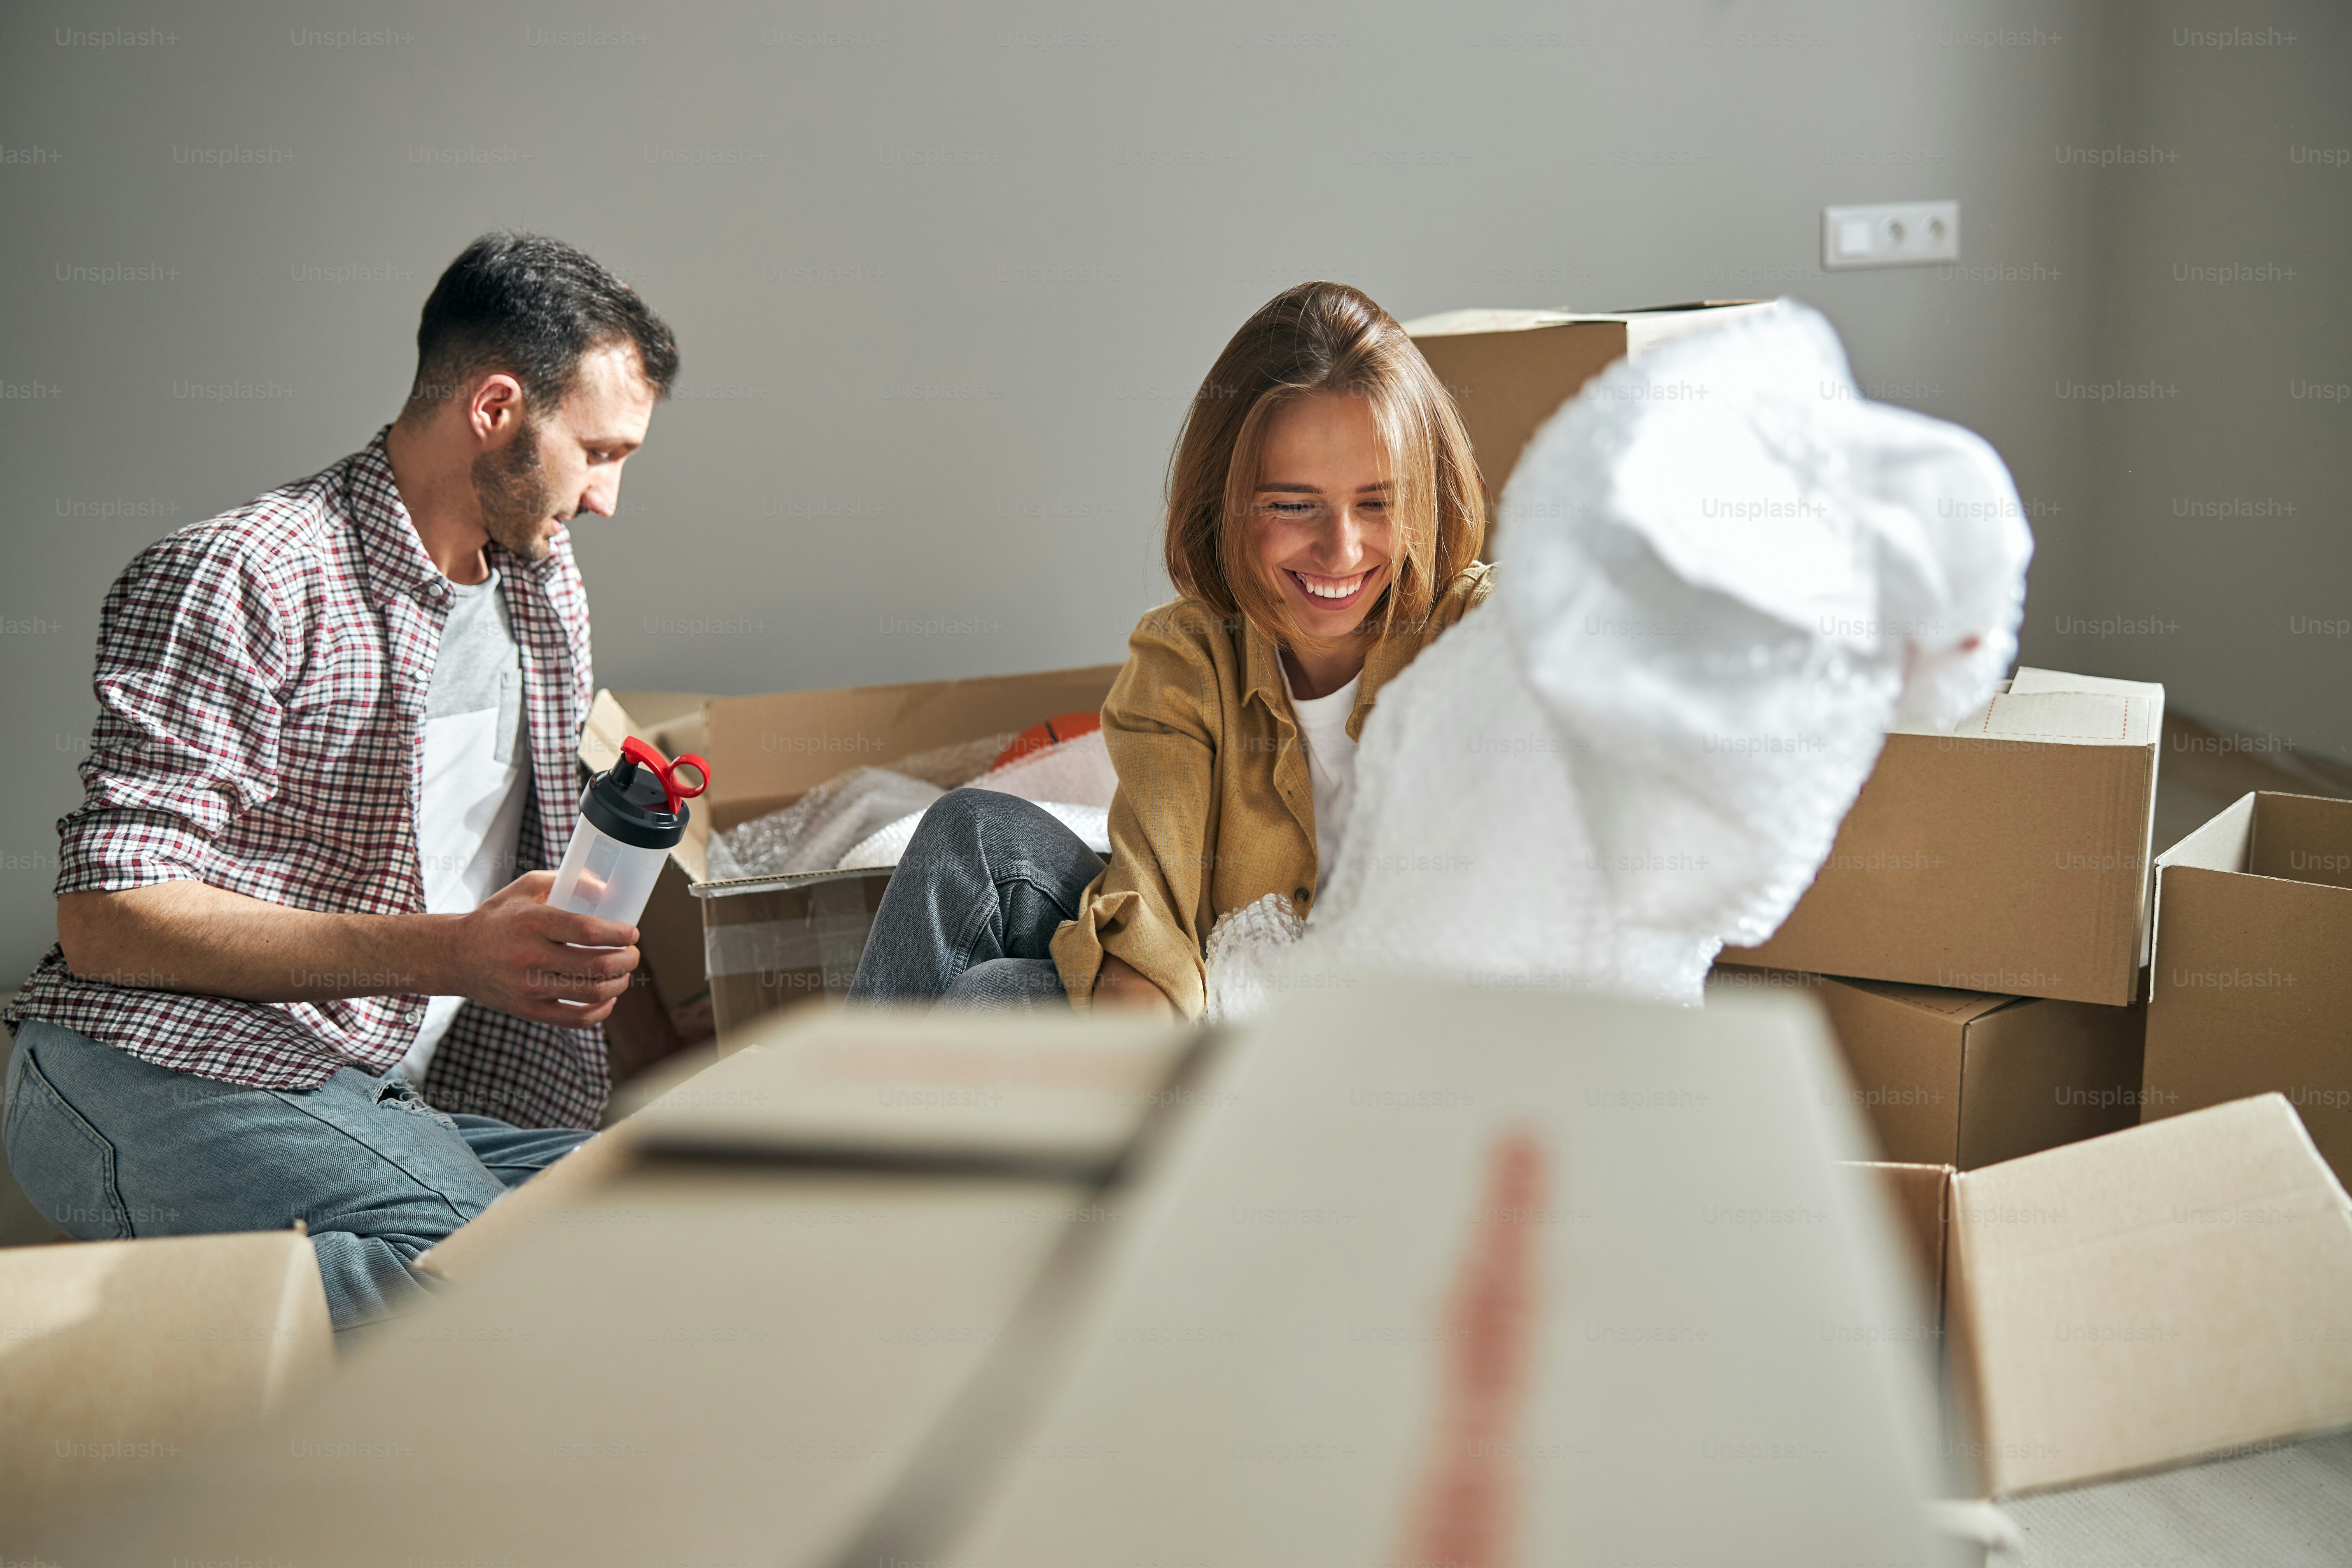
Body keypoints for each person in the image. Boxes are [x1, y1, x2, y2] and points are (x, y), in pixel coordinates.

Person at [3, 232, 678, 1332]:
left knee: (671, 1223)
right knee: (505, 1280)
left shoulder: (545, 590)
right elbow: (105, 919)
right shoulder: (244, 576)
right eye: (599, 451)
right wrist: (452, 951)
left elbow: (526, 851)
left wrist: (651, 1030)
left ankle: (232, 1328)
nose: (607, 497)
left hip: (361, 1088)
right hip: (151, 1062)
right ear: (497, 410)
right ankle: (116, 1348)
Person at [849, 281, 1490, 1017]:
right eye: (1292, 504)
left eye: (1379, 502)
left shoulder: (1489, 633)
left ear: (1430, 493)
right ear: (1228, 504)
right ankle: (845, 1118)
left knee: (989, 1000)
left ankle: (838, 1117)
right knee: (967, 835)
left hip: (1389, 1027)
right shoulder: (1187, 656)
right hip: (1219, 997)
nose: (1340, 550)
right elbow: (1155, 913)